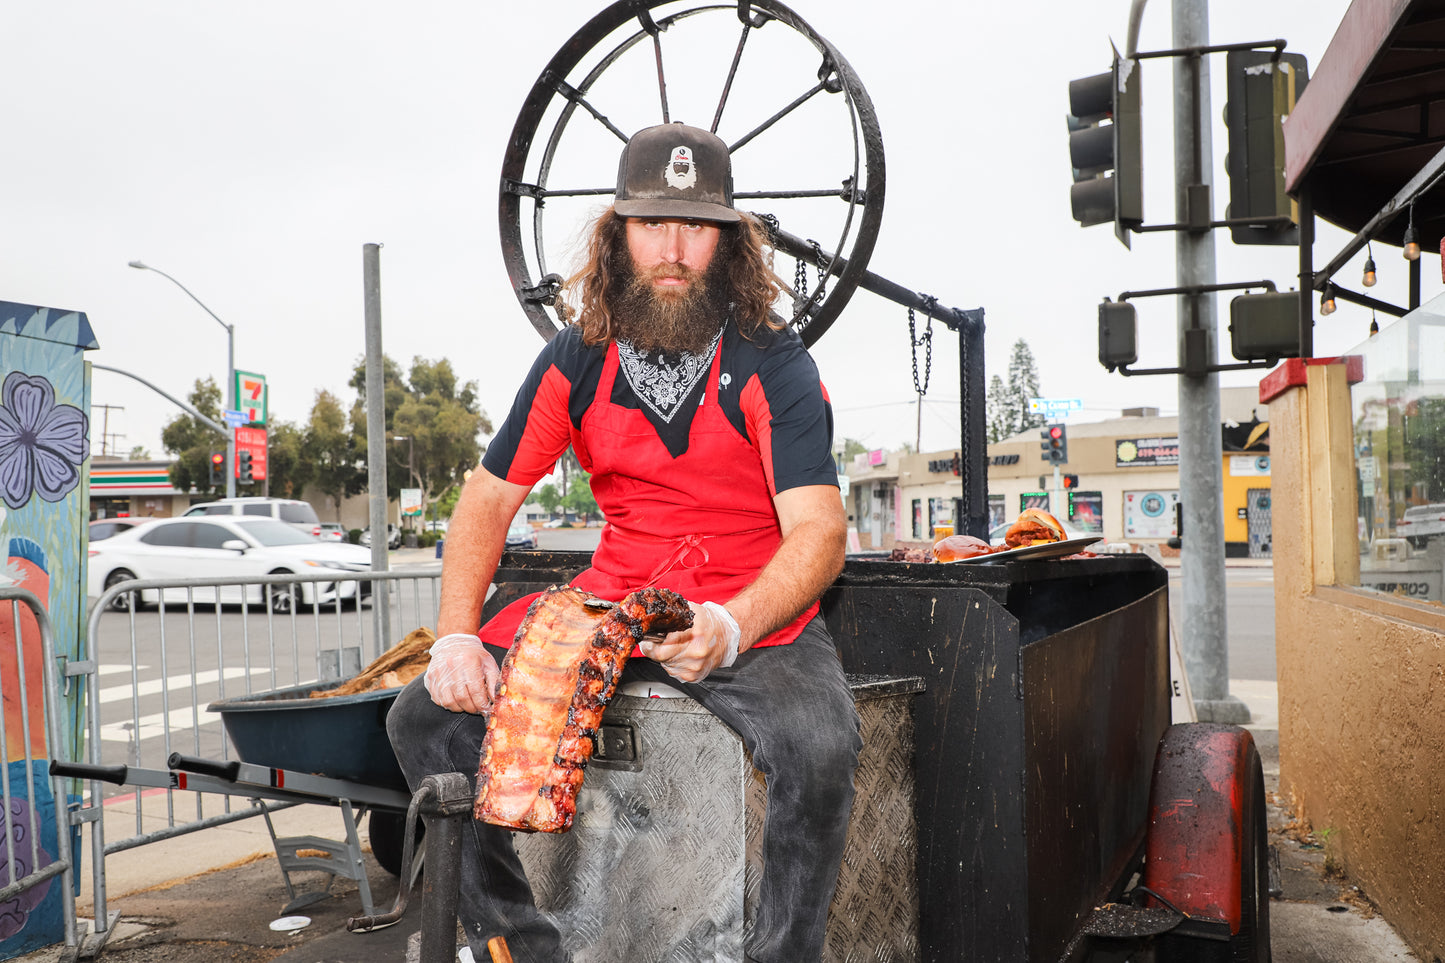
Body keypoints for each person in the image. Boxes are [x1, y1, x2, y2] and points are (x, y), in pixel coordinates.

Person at [386, 121, 860, 963]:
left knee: (819, 748)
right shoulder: (576, 356)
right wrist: (457, 632)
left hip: (747, 604)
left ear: (727, 242)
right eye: (651, 224)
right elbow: (489, 497)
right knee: (422, 718)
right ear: (615, 236)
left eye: (696, 226)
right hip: (612, 593)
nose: (673, 248)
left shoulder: (769, 359)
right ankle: (518, 947)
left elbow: (820, 532)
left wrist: (733, 625)